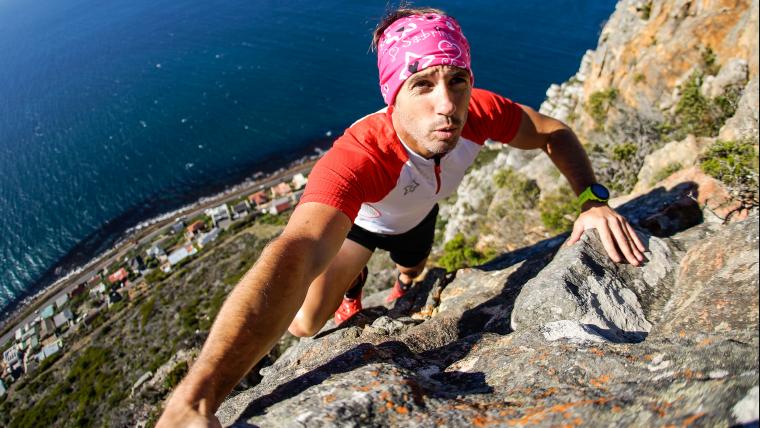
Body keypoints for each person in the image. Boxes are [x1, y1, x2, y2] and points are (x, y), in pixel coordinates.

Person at [156, 7, 646, 426]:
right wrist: (196, 396)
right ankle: (353, 285)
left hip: (418, 217)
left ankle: (396, 285)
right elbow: (297, 250)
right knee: (306, 324)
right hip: (362, 228)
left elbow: (552, 132)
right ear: (394, 95)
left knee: (412, 275)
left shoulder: (480, 112)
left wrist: (592, 202)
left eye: (458, 80)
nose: (447, 105)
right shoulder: (360, 157)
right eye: (422, 85)